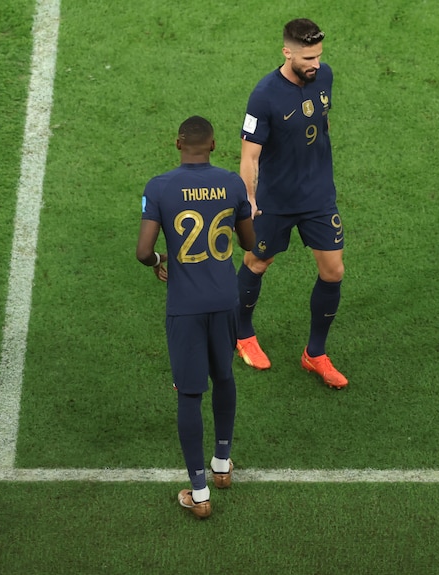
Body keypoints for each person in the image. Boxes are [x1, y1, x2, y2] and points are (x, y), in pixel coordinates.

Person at [136, 116, 256, 518]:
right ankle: (222, 466)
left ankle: (200, 494)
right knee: (224, 377)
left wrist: (158, 260)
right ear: (214, 145)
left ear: (177, 144)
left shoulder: (159, 187)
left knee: (189, 394)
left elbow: (143, 252)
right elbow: (249, 242)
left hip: (185, 307)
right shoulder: (232, 184)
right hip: (225, 301)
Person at [236, 18, 348, 389]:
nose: (316, 64)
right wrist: (248, 198)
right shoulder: (264, 95)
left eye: (319, 56)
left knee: (333, 271)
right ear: (287, 52)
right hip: (275, 200)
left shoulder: (324, 76)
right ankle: (242, 333)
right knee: (258, 262)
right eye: (308, 58)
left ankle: (315, 354)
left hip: (318, 196)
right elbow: (250, 156)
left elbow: (322, 123)